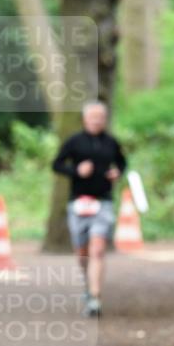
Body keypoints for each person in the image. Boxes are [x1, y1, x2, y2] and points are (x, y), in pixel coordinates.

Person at [51, 102, 127, 318]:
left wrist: (117, 172)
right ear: (85, 119)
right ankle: (88, 285)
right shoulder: (74, 142)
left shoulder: (111, 142)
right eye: (93, 117)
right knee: (82, 252)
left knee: (98, 249)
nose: (97, 121)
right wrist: (76, 170)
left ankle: (95, 297)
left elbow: (122, 163)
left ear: (105, 119)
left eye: (100, 117)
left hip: (103, 202)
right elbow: (56, 164)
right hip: (78, 203)